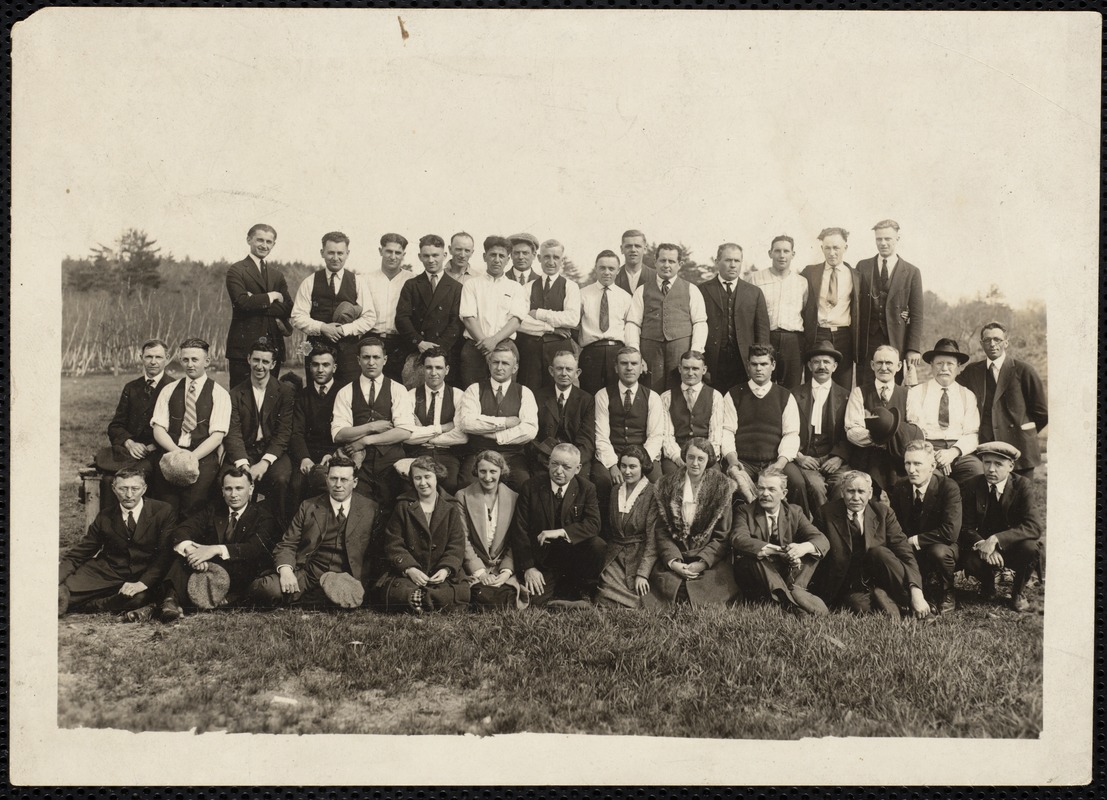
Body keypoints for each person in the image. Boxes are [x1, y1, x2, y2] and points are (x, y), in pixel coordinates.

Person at [250, 456, 381, 608]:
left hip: (344, 577)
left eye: (344, 480)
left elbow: (375, 553)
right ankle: (320, 599)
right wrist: (286, 570)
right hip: (309, 573)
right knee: (265, 589)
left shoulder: (370, 509)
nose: (338, 485)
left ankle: (313, 599)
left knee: (346, 590)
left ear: (355, 483)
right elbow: (288, 543)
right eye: (333, 479)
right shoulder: (309, 506)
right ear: (326, 480)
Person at [157, 466, 280, 621]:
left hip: (242, 570)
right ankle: (170, 602)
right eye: (228, 489)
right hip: (209, 568)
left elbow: (255, 548)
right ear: (222, 491)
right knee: (180, 556)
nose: (233, 494)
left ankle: (207, 603)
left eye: (239, 488)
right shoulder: (214, 510)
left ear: (251, 489)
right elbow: (182, 530)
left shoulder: (263, 516)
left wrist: (215, 549)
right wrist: (192, 553)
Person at [58, 467, 175, 622]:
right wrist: (53, 578)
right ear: (113, 489)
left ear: (144, 489)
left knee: (138, 599)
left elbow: (164, 555)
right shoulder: (105, 516)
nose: (128, 495)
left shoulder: (163, 511)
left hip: (143, 574)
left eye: (135, 489)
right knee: (61, 594)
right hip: (108, 572)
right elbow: (80, 553)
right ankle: (97, 602)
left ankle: (96, 604)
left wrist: (142, 583)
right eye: (123, 489)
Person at [808, 471, 930, 618]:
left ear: (870, 493)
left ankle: (911, 602)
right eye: (850, 491)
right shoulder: (826, 513)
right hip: (848, 582)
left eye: (861, 491)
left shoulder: (883, 513)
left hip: (879, 573)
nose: (856, 497)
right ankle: (888, 601)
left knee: (880, 552)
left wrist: (917, 592)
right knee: (861, 608)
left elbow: (905, 553)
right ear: (842, 491)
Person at [640, 438, 740, 607]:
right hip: (678, 554)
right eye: (691, 457)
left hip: (706, 558)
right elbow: (662, 532)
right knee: (670, 588)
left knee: (709, 589)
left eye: (701, 459)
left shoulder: (721, 487)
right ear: (684, 457)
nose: (695, 463)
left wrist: (701, 563)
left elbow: (722, 536)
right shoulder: (667, 485)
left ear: (709, 460)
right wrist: (675, 563)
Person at [509, 443, 603, 607]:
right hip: (543, 560)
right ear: (549, 462)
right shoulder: (531, 487)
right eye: (554, 464)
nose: (558, 471)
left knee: (597, 545)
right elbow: (520, 530)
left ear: (578, 468)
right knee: (536, 602)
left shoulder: (586, 488)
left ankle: (584, 590)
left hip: (574, 560)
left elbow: (593, 524)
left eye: (566, 467)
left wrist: (560, 532)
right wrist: (528, 568)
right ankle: (561, 597)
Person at [374, 457, 470, 614]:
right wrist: (409, 568)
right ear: (412, 480)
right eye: (417, 478)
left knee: (459, 592)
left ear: (437, 477)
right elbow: (393, 542)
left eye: (427, 477)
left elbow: (457, 544)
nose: (423, 483)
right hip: (412, 571)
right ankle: (429, 599)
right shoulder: (403, 505)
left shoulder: (450, 506)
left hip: (439, 572)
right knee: (396, 591)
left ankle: (422, 599)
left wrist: (446, 568)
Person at [150, 337, 232, 519]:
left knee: (194, 506)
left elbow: (217, 435)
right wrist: (177, 453)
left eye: (195, 360)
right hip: (171, 454)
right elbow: (158, 428)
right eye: (185, 360)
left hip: (201, 457)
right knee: (166, 508)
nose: (190, 364)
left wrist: (191, 457)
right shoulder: (169, 390)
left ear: (207, 362)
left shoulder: (219, 393)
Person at [959, 441, 1044, 613]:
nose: (991, 469)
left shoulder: (1022, 485)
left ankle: (1017, 593)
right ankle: (988, 585)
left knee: (1031, 548)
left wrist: (997, 540)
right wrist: (983, 544)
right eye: (986, 462)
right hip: (983, 548)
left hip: (1013, 546)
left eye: (998, 464)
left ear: (1011, 466)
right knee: (968, 559)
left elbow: (1034, 526)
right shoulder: (972, 485)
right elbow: (965, 526)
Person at [720, 344, 807, 511]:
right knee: (729, 485)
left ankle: (795, 526)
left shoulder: (785, 396)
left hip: (775, 460)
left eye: (764, 364)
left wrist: (779, 464)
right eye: (754, 364)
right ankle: (736, 530)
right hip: (743, 461)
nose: (758, 369)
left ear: (773, 366)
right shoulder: (733, 394)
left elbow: (791, 434)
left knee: (797, 482)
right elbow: (727, 431)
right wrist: (733, 460)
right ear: (748, 366)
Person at [731, 469, 829, 615]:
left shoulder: (795, 512)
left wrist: (800, 549)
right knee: (755, 557)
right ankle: (790, 601)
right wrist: (778, 550)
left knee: (813, 550)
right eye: (761, 488)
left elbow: (821, 539)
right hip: (760, 573)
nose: (764, 494)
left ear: (784, 493)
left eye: (771, 489)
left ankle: (796, 590)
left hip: (786, 570)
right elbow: (738, 538)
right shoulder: (745, 511)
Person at [330, 337, 415, 506]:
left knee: (393, 509)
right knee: (360, 510)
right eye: (366, 357)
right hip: (359, 463)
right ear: (358, 360)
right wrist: (371, 427)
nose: (371, 362)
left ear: (385, 360)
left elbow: (404, 431)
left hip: (391, 461)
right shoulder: (345, 392)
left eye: (376, 357)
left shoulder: (397, 389)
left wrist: (365, 440)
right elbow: (339, 434)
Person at [956, 321, 1048, 477]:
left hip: (1019, 449)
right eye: (987, 340)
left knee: (1019, 498)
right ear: (981, 343)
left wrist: (1023, 431)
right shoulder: (972, 371)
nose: (992, 344)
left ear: (1006, 342)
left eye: (997, 339)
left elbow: (1041, 413)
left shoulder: (1024, 370)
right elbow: (950, 387)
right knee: (990, 498)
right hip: (986, 449)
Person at [289, 231, 377, 388]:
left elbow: (369, 317)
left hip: (349, 351)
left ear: (347, 254)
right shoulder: (309, 282)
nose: (335, 258)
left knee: (349, 394)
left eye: (340, 253)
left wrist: (344, 329)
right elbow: (297, 316)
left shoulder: (358, 282)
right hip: (316, 349)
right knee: (317, 394)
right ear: (322, 253)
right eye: (330, 252)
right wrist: (322, 328)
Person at [224, 338, 294, 525]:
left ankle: (277, 530)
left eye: (265, 361)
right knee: (226, 480)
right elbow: (233, 432)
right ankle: (234, 528)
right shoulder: (235, 394)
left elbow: (283, 433)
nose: (259, 366)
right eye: (256, 360)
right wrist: (243, 464)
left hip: (273, 452)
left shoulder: (285, 392)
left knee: (281, 478)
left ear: (273, 364)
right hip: (244, 452)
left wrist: (264, 463)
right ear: (248, 359)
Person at [888, 440, 962, 615]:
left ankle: (947, 591)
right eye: (908, 463)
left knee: (940, 552)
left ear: (932, 465)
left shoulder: (948, 487)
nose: (911, 470)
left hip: (942, 544)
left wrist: (914, 540)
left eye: (917, 464)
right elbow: (894, 523)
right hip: (911, 546)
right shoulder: (901, 487)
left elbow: (950, 532)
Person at [96, 338, 174, 505]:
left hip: (158, 453)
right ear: (141, 357)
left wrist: (153, 446)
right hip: (129, 453)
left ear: (167, 358)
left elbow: (177, 430)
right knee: (110, 480)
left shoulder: (174, 387)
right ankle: (113, 527)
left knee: (130, 480)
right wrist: (129, 443)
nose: (153, 362)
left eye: (158, 357)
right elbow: (116, 426)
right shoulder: (131, 387)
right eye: (148, 357)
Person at [844, 344, 925, 499]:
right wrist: (881, 438)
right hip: (868, 459)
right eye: (879, 363)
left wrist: (885, 434)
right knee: (867, 501)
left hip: (899, 460)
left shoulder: (908, 394)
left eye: (889, 363)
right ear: (872, 365)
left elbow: (917, 430)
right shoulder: (859, 392)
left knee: (902, 500)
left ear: (899, 366)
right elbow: (852, 431)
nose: (884, 367)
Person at [626, 243, 708, 392]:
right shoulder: (642, 290)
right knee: (650, 390)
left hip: (680, 349)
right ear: (655, 262)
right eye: (662, 260)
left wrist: (695, 353)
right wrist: (636, 354)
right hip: (650, 350)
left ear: (680, 264)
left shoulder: (691, 289)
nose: (666, 265)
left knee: (679, 390)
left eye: (671, 261)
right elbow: (633, 323)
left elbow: (700, 322)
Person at [457, 341, 538, 491]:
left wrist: (495, 436)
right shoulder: (474, 389)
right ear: (489, 365)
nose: (499, 367)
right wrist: (505, 422)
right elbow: (467, 423)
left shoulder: (524, 392)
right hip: (479, 453)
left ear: (515, 368)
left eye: (505, 363)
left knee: (524, 485)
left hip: (512, 455)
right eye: (495, 362)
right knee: (466, 484)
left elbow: (530, 430)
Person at [592, 346, 665, 506]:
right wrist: (612, 465)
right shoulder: (603, 395)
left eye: (634, 363)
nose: (629, 368)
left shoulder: (653, 397)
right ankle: (606, 529)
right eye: (624, 363)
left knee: (658, 483)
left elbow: (655, 436)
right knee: (602, 481)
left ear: (641, 367)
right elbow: (601, 436)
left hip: (643, 457)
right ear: (616, 368)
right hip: (612, 455)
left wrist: (639, 463)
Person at [855, 220, 924, 387]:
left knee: (895, 387)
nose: (883, 243)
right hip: (868, 341)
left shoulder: (912, 272)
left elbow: (917, 314)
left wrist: (913, 348)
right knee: (866, 386)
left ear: (897, 238)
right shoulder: (862, 266)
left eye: (888, 239)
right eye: (879, 239)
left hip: (896, 340)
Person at [906, 338, 983, 486]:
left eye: (950, 364)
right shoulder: (917, 393)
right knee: (930, 480)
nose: (944, 369)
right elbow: (916, 429)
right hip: (928, 449)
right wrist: (933, 454)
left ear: (959, 367)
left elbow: (972, 433)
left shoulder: (967, 395)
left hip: (959, 451)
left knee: (976, 472)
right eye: (939, 363)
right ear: (931, 366)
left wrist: (952, 453)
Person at [456, 450, 528, 609]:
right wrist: (480, 572)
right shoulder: (462, 496)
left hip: (502, 565)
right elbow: (463, 539)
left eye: (493, 471)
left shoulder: (514, 497)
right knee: (476, 594)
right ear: (476, 471)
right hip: (473, 564)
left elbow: (515, 539)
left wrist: (506, 571)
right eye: (482, 471)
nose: (487, 477)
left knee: (508, 594)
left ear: (501, 471)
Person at [225, 223, 292, 387]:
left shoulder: (277, 275)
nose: (264, 245)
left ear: (273, 244)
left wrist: (255, 300)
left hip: (273, 347)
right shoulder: (237, 270)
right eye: (260, 240)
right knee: (240, 399)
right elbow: (242, 303)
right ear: (249, 240)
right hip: (243, 349)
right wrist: (272, 296)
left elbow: (288, 307)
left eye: (269, 242)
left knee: (270, 399)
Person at [457, 235, 528, 387]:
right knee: (472, 393)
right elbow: (468, 318)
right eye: (492, 255)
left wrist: (493, 342)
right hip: (474, 348)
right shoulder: (471, 284)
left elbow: (516, 321)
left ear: (508, 260)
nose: (497, 260)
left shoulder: (516, 288)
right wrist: (486, 346)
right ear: (484, 257)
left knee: (504, 394)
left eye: (502, 256)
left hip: (506, 347)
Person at [700, 243, 770, 393]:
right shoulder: (702, 290)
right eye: (727, 260)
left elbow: (762, 331)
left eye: (737, 261)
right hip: (714, 362)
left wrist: (759, 361)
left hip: (743, 361)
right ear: (717, 261)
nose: (733, 265)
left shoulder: (754, 292)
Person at [395, 234, 463, 385]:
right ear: (420, 257)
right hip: (416, 352)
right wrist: (419, 342)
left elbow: (456, 323)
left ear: (444, 255)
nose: (431, 260)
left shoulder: (456, 287)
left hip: (444, 353)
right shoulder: (411, 285)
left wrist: (439, 349)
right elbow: (402, 318)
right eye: (426, 256)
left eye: (435, 255)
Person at [791, 340, 852, 511]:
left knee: (842, 485)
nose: (822, 366)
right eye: (817, 362)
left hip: (834, 458)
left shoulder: (847, 396)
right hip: (806, 457)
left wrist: (839, 457)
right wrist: (799, 456)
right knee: (817, 488)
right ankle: (822, 530)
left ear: (835, 366)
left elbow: (850, 434)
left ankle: (838, 530)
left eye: (827, 362)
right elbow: (786, 430)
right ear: (809, 366)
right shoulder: (795, 395)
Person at [515, 238, 581, 390]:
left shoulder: (570, 287)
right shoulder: (527, 287)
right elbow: (520, 321)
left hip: (560, 348)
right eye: (547, 257)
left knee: (558, 392)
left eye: (556, 257)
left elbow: (572, 319)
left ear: (561, 260)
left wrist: (538, 313)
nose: (551, 262)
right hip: (531, 349)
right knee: (529, 391)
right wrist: (551, 328)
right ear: (539, 258)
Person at [399, 347, 468, 494]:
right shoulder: (410, 396)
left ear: (447, 370)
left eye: (439, 367)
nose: (434, 373)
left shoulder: (458, 395)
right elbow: (407, 436)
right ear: (423, 369)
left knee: (450, 485)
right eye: (429, 367)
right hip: (418, 453)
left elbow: (461, 436)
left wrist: (426, 437)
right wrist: (442, 428)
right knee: (409, 489)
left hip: (447, 455)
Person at [595, 446, 656, 609]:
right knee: (603, 595)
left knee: (640, 595)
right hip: (616, 553)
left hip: (640, 553)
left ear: (643, 467)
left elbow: (653, 540)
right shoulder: (615, 490)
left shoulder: (652, 493)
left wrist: (643, 574)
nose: (627, 471)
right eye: (623, 466)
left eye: (632, 466)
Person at [747, 236, 811, 389]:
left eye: (786, 251)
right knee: (762, 384)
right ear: (770, 253)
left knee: (792, 388)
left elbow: (806, 313)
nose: (782, 255)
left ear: (792, 254)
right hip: (765, 338)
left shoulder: (802, 282)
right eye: (777, 251)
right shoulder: (755, 279)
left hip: (793, 341)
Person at [801, 227, 860, 389]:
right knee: (814, 385)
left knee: (843, 388)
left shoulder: (856, 276)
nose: (832, 252)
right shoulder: (810, 272)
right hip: (818, 334)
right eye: (827, 248)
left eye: (836, 248)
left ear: (845, 248)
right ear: (822, 248)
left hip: (844, 336)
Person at [288, 344, 340, 511]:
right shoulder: (302, 396)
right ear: (310, 367)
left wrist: (334, 454)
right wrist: (304, 457)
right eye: (315, 364)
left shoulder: (344, 392)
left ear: (334, 367)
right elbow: (296, 432)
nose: (320, 369)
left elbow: (348, 430)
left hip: (335, 453)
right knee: (296, 485)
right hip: (308, 454)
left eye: (325, 365)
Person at [659, 350, 728, 474]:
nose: (690, 373)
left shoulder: (715, 396)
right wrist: (678, 458)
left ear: (704, 370)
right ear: (680, 369)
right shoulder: (666, 397)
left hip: (706, 455)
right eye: (686, 368)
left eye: (695, 368)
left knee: (713, 479)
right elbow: (667, 436)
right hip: (677, 455)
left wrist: (703, 458)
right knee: (672, 479)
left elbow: (715, 435)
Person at [530, 350, 595, 477]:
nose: (564, 373)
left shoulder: (586, 400)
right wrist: (546, 458)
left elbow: (587, 439)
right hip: (545, 459)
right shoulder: (538, 396)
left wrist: (572, 463)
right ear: (551, 371)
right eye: (559, 369)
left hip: (575, 460)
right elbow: (533, 436)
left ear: (577, 373)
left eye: (569, 369)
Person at [577, 250, 633, 395]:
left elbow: (630, 327)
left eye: (611, 268)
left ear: (618, 271)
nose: (606, 272)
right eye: (602, 268)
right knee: (590, 396)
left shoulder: (625, 297)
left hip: (617, 352)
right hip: (591, 353)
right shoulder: (582, 294)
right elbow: (573, 324)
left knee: (616, 396)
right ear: (596, 268)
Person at [365, 233, 416, 383]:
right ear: (380, 251)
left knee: (398, 388)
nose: (393, 256)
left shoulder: (412, 280)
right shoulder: (365, 279)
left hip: (401, 343)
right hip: (372, 339)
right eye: (389, 251)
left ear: (403, 255)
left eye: (398, 252)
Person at [615, 229, 655, 295]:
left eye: (637, 246)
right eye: (628, 246)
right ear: (622, 249)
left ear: (645, 249)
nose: (633, 250)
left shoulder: (656, 277)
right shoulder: (613, 277)